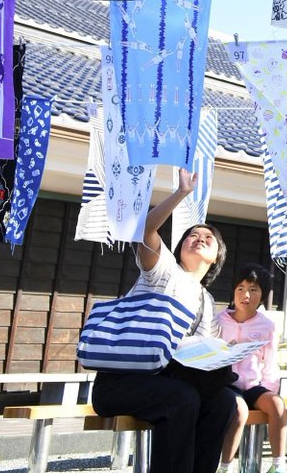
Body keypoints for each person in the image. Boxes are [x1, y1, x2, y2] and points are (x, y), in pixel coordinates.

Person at [90, 169, 237, 473]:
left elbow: (199, 358)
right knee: (182, 399)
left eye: (208, 238)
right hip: (120, 384)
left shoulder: (207, 302)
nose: (199, 239)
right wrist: (181, 193)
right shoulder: (164, 270)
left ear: (217, 256)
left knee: (224, 401)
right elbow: (146, 231)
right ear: (180, 247)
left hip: (166, 381)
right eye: (192, 236)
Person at [216, 264, 286, 473]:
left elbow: (271, 362)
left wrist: (269, 389)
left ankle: (278, 466)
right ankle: (225, 467)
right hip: (227, 385)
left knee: (277, 404)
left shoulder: (267, 325)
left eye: (254, 289)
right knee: (239, 410)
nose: (246, 295)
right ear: (233, 292)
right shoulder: (218, 319)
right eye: (241, 288)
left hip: (254, 385)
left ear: (262, 295)